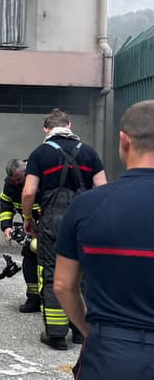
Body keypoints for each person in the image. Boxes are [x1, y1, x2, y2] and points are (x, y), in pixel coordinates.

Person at [54, 100, 154, 378]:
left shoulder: (86, 206)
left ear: (124, 141)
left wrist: (92, 333)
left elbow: (63, 285)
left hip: (110, 354)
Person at [22, 108, 106, 350]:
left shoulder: (40, 153)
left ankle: (56, 335)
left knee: (52, 273)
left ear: (46, 130)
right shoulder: (89, 152)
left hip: (53, 221)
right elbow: (102, 188)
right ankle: (80, 332)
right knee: (84, 274)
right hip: (86, 220)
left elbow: (28, 191)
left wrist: (28, 218)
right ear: (69, 126)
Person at [0, 158, 41, 313]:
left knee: (51, 263)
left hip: (50, 225)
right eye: (13, 179)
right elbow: (6, 205)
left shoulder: (40, 178)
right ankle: (34, 299)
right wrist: (7, 227)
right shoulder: (10, 186)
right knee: (29, 259)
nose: (16, 183)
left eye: (19, 179)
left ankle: (54, 301)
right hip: (30, 226)